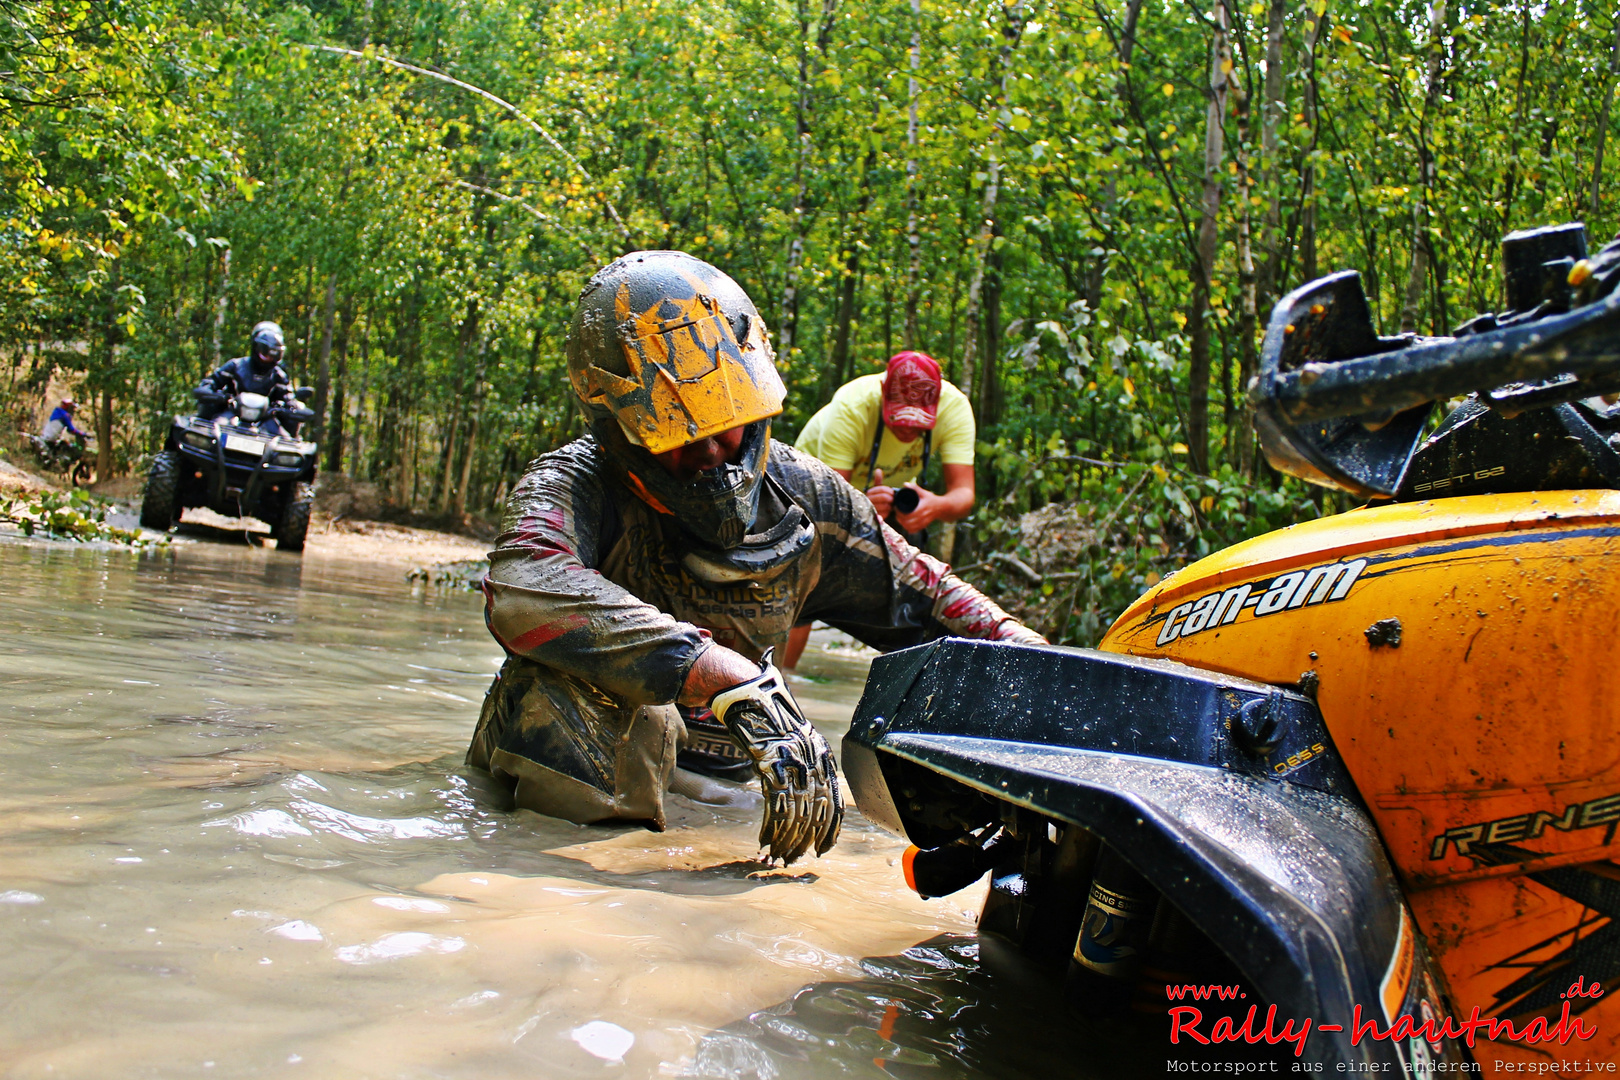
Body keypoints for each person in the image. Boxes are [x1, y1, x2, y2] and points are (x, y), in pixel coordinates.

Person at [466, 251, 1045, 865]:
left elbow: (928, 596)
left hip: (729, 787)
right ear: (623, 433)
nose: (713, 451)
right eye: (683, 438)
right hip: (580, 772)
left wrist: (1046, 668)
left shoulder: (810, 495)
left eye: (729, 423)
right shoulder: (573, 481)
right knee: (569, 695)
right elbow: (523, 583)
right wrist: (725, 674)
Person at [786, 352, 978, 668]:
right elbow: (828, 505)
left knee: (911, 589)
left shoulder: (955, 409)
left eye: (919, 422)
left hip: (883, 499)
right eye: (900, 418)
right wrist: (862, 503)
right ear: (882, 393)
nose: (908, 431)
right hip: (814, 491)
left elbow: (963, 495)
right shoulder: (852, 405)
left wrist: (934, 505)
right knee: (805, 580)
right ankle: (782, 682)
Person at [195, 321, 299, 434]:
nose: (268, 359)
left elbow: (288, 397)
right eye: (265, 354)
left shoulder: (279, 376)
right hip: (231, 412)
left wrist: (292, 406)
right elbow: (213, 381)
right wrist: (208, 390)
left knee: (287, 444)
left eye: (273, 356)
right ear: (256, 348)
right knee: (208, 434)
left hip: (266, 420)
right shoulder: (235, 366)